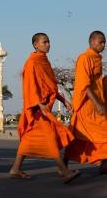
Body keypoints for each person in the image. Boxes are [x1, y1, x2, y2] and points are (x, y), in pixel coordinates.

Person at [10, 33, 81, 183]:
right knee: (50, 138)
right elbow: (30, 87)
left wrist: (64, 101)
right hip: (37, 108)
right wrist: (40, 105)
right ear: (36, 45)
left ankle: (16, 168)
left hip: (44, 107)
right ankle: (64, 170)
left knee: (28, 139)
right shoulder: (31, 63)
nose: (48, 44)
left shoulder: (44, 61)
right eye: (45, 42)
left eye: (49, 42)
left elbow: (50, 87)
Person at [63, 31, 107, 174]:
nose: (103, 45)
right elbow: (83, 84)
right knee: (82, 136)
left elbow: (98, 84)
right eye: (100, 42)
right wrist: (96, 103)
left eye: (104, 42)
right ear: (91, 42)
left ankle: (104, 164)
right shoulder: (85, 58)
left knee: (93, 136)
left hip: (98, 104)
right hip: (87, 105)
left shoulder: (97, 59)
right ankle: (63, 165)